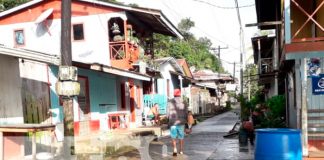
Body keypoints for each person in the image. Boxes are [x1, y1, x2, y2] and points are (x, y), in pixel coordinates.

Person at [167, 89, 188, 156]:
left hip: (172, 122)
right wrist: (186, 120)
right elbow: (186, 113)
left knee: (173, 136)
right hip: (181, 122)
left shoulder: (170, 102)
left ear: (174, 94)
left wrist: (168, 119)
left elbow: (167, 113)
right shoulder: (184, 102)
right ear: (180, 94)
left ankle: (175, 149)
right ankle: (181, 150)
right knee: (181, 136)